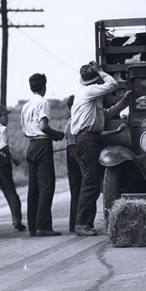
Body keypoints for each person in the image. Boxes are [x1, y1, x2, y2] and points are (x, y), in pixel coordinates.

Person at [71, 61, 120, 236]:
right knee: (90, 181)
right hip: (88, 138)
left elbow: (104, 115)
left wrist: (122, 102)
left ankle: (84, 223)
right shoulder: (89, 91)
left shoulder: (89, 96)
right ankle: (82, 224)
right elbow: (113, 84)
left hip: (89, 138)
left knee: (90, 181)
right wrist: (101, 71)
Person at [20, 73, 65, 237]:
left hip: (31, 145)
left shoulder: (26, 106)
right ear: (44, 87)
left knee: (34, 188)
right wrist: (57, 134)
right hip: (42, 144)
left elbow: (26, 130)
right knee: (47, 186)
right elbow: (44, 126)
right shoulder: (43, 103)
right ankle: (44, 226)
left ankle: (33, 226)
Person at [64, 95, 81, 233]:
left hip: (76, 161)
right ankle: (74, 224)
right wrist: (80, 163)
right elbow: (71, 146)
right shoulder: (71, 124)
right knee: (76, 193)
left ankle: (75, 223)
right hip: (74, 162)